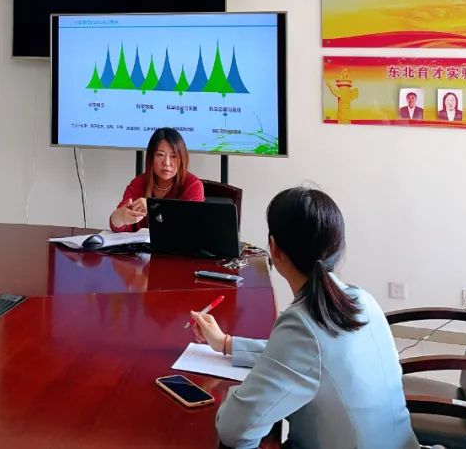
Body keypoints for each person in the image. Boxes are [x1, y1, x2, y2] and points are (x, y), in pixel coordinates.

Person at [191, 187, 419, 449]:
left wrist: (232, 394)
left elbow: (235, 429)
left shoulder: (302, 325)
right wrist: (226, 343)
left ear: (274, 249)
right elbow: (303, 358)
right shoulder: (362, 299)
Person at [109, 128, 204, 232]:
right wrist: (118, 217)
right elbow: (119, 226)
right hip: (143, 243)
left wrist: (153, 207)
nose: (166, 163)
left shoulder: (193, 185)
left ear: (182, 158)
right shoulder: (139, 183)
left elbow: (190, 225)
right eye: (160, 155)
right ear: (151, 157)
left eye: (173, 156)